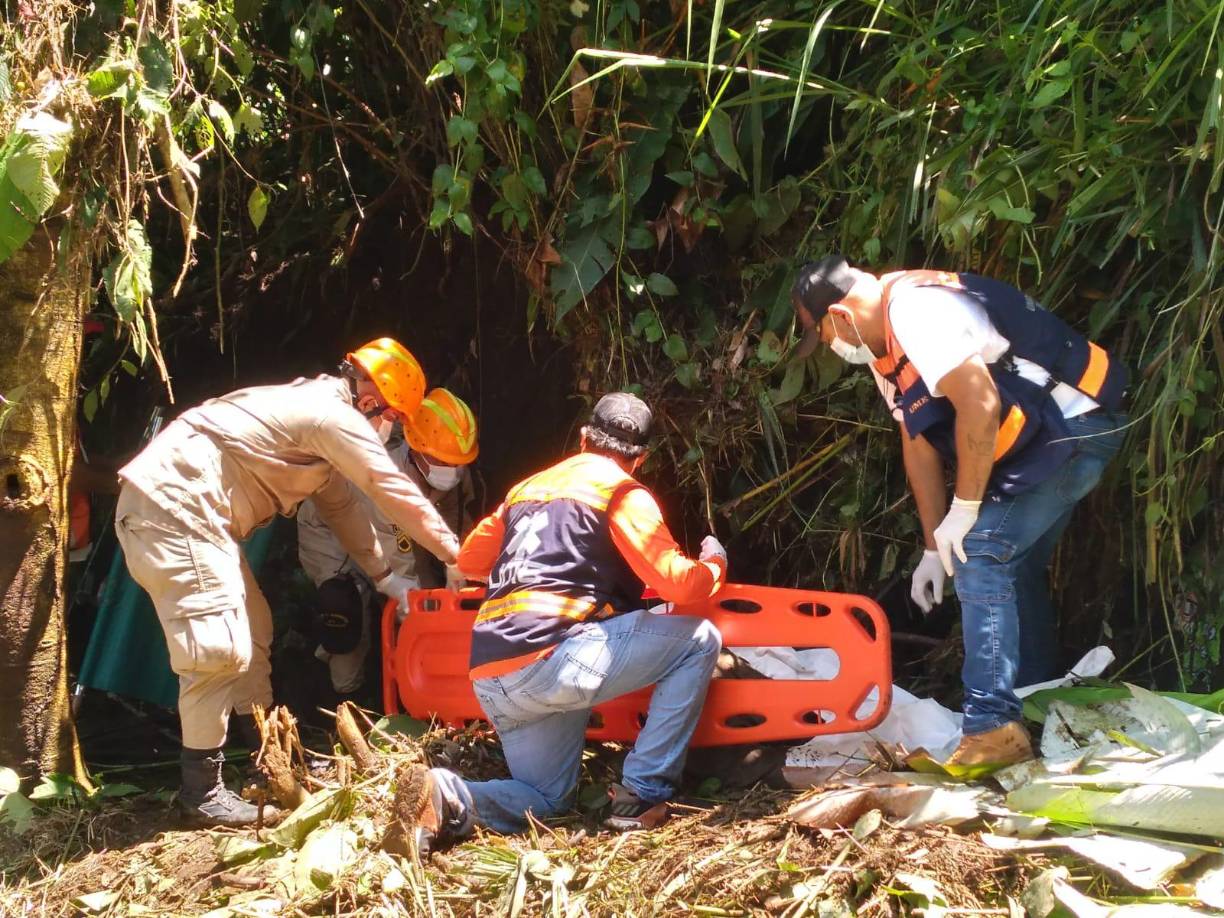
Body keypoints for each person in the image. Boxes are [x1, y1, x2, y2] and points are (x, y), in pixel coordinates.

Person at [791, 257, 1128, 768]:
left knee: (982, 556)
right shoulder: (886, 349)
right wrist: (931, 545)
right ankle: (1030, 702)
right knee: (1013, 569)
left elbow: (980, 402)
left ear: (839, 316)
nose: (835, 351)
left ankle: (992, 725)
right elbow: (918, 444)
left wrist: (966, 510)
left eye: (825, 335)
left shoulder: (917, 311)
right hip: (1047, 441)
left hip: (1077, 427)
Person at [114, 338, 463, 826]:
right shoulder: (330, 417)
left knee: (254, 630)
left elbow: (342, 507)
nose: (393, 430)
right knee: (217, 649)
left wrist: (388, 580)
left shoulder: (318, 421)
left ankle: (265, 751)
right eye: (394, 418)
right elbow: (386, 486)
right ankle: (202, 791)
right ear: (369, 402)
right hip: (176, 510)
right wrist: (454, 554)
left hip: (199, 519)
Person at [385, 392, 728, 854]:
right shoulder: (623, 492)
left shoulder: (524, 491)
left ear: (584, 439)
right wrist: (714, 565)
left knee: (546, 799)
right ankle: (643, 793)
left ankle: (447, 795)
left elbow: (469, 561)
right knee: (698, 641)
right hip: (555, 659)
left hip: (493, 673)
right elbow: (677, 585)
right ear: (640, 459)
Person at [297, 388, 478, 700]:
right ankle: (348, 698)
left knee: (438, 593)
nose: (451, 470)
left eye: (458, 462)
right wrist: (432, 630)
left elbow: (456, 525)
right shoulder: (388, 478)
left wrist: (464, 569)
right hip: (331, 529)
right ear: (416, 448)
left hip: (398, 531)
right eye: (441, 460)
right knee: (347, 608)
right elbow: (400, 570)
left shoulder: (454, 470)